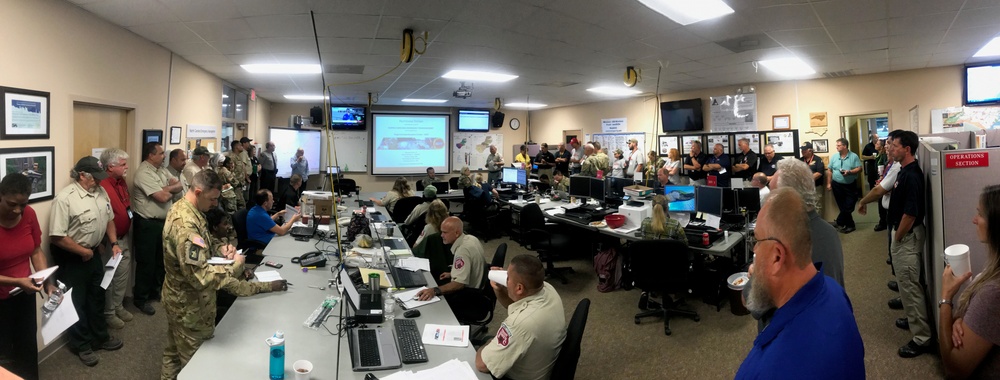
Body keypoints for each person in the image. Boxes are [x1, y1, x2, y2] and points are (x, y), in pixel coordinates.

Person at [736, 187, 864, 379]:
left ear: (777, 257)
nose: (755, 248)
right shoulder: (834, 290)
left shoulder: (768, 370)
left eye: (757, 240)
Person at [160, 171, 268, 378]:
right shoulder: (185, 224)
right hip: (190, 306)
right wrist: (235, 266)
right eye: (213, 199)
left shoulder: (190, 209)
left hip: (179, 300)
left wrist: (221, 248)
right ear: (198, 192)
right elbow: (200, 277)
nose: (215, 203)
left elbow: (204, 242)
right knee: (196, 367)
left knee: (173, 353)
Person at [50, 156, 124, 366]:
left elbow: (108, 219)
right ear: (82, 175)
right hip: (72, 258)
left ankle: (100, 337)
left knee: (97, 297)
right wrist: (82, 250)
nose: (99, 182)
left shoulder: (99, 192)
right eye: (95, 178)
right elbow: (57, 236)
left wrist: (113, 242)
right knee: (76, 303)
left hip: (93, 255)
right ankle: (82, 344)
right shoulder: (65, 198)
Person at [938, 184, 1000, 378]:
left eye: (980, 214)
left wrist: (946, 298)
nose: (974, 220)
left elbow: (955, 369)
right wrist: (963, 321)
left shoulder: (993, 293)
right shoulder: (993, 271)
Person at [476, 254, 566, 380]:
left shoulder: (520, 324)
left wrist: (486, 345)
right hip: (540, 361)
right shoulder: (546, 288)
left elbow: (482, 364)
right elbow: (516, 307)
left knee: (474, 354)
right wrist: (499, 290)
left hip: (520, 376)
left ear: (519, 288)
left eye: (508, 277)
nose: (505, 279)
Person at [0, 173, 53, 379]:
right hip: (2, 299)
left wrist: (47, 281)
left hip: (23, 294)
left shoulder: (29, 214)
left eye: (22, 204)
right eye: (12, 204)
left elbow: (36, 251)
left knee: (26, 346)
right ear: (0, 195)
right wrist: (17, 281)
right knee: (4, 354)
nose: (17, 210)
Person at [886, 130, 932, 358]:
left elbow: (910, 214)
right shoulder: (905, 171)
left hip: (907, 236)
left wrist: (897, 237)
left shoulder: (912, 175)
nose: (890, 148)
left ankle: (922, 338)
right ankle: (913, 319)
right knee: (906, 283)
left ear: (907, 149)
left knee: (910, 285)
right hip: (903, 234)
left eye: (894, 145)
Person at [204, 207, 285, 324]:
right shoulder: (213, 251)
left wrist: (244, 269)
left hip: (234, 287)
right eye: (225, 224)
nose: (229, 227)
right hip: (224, 295)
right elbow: (234, 287)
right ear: (215, 227)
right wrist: (270, 286)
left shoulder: (219, 242)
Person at [132, 143, 183, 316]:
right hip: (147, 224)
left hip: (162, 222)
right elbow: (162, 197)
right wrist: (168, 189)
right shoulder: (143, 173)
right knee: (146, 263)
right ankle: (141, 299)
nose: (164, 156)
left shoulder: (160, 170)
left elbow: (180, 185)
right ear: (151, 155)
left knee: (161, 260)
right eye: (161, 153)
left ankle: (156, 292)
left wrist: (166, 189)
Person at [415, 217, 487, 322]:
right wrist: (452, 273)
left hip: (469, 296)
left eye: (445, 232)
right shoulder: (471, 238)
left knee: (430, 302)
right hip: (478, 287)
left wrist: (434, 291)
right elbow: (471, 264)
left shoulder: (463, 250)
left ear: (457, 233)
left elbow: (459, 284)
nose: (441, 235)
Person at [98, 148, 134, 330]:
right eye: (123, 164)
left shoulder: (121, 181)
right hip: (109, 242)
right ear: (110, 167)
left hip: (124, 237)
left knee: (122, 276)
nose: (127, 167)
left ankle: (118, 306)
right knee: (109, 279)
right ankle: (109, 313)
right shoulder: (102, 185)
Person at [826, 138, 862, 233]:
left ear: (845, 146)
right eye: (836, 145)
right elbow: (829, 170)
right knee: (842, 205)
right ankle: (848, 224)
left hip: (850, 185)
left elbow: (859, 169)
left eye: (838, 145)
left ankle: (840, 221)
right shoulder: (834, 157)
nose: (836, 147)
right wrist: (829, 183)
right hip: (836, 185)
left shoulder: (854, 156)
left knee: (849, 206)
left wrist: (849, 172)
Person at [873, 138, 889, 231]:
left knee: (881, 203)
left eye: (878, 143)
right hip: (880, 180)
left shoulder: (883, 156)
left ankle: (883, 222)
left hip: (883, 181)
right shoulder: (879, 155)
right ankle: (882, 221)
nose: (875, 144)